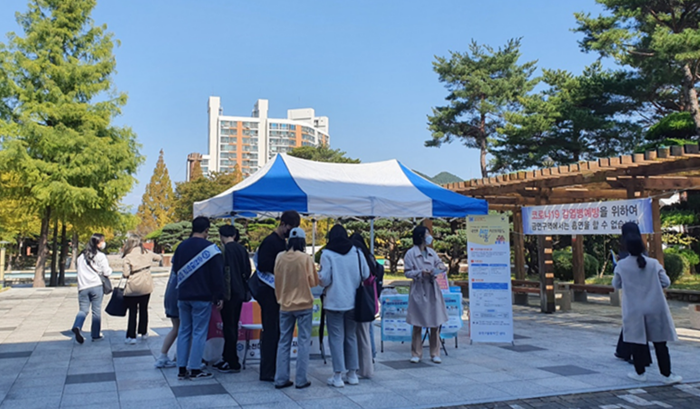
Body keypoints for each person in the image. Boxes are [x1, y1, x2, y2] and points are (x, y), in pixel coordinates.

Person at [612, 230, 682, 384]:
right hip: (655, 307)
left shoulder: (622, 265)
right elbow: (666, 282)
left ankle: (640, 372)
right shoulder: (653, 263)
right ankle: (667, 375)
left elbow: (616, 285)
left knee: (637, 342)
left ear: (626, 248)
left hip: (634, 309)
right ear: (643, 247)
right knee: (660, 343)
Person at [172, 217, 225, 380]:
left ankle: (181, 368)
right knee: (199, 332)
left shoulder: (181, 246)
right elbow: (217, 275)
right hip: (202, 296)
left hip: (183, 295)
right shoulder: (211, 249)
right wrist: (219, 296)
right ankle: (194, 368)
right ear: (207, 230)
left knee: (184, 331)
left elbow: (175, 269)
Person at [319, 225, 370, 388]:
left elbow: (325, 279)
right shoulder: (357, 252)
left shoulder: (327, 254)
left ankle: (338, 376)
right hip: (353, 301)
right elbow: (366, 274)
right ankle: (353, 374)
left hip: (334, 302)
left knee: (336, 338)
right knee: (351, 336)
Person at [255, 210, 301, 382]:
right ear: (282, 224)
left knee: (279, 332)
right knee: (271, 332)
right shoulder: (270, 242)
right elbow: (264, 265)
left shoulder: (283, 242)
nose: (291, 231)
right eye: (290, 227)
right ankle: (267, 371)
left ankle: (276, 368)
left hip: (279, 293)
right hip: (269, 292)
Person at [273, 227, 318, 389]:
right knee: (303, 341)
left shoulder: (280, 257)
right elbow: (313, 281)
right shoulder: (305, 258)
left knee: (283, 341)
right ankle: (301, 379)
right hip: (304, 304)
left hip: (284, 304)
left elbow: (276, 279)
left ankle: (281, 378)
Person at [404, 226, 448, 364]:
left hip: (432, 289)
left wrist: (441, 267)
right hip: (419, 289)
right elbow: (407, 272)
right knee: (417, 322)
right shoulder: (410, 253)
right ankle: (416, 353)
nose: (430, 236)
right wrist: (420, 273)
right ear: (421, 236)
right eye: (427, 233)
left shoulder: (431, 252)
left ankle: (435, 353)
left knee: (435, 322)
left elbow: (438, 263)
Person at [213, 224, 252, 374]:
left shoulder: (222, 251)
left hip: (227, 294)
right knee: (233, 325)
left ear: (221, 236)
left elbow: (219, 274)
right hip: (240, 292)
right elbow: (247, 271)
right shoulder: (242, 250)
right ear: (235, 235)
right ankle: (226, 356)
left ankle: (232, 361)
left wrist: (219, 295)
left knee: (229, 326)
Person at [614, 222, 652, 367]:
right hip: (647, 294)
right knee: (633, 324)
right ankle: (622, 350)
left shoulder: (625, 250)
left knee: (634, 325)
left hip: (631, 295)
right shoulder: (644, 250)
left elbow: (618, 281)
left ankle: (641, 358)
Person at [71, 233, 112, 344]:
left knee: (83, 310)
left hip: (83, 287)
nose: (103, 243)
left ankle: (77, 326)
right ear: (98, 243)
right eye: (102, 241)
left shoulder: (81, 257)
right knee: (96, 311)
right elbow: (107, 271)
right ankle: (95, 334)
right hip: (96, 286)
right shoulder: (100, 256)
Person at [122, 234, 162, 345]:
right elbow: (159, 257)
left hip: (133, 286)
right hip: (146, 285)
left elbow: (126, 274)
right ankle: (143, 332)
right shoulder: (147, 253)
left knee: (133, 311)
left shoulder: (128, 256)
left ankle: (131, 335)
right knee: (144, 309)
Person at [349, 232, 377, 379]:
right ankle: (368, 363)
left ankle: (364, 369)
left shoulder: (356, 255)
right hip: (369, 299)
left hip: (358, 299)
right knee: (367, 333)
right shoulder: (368, 256)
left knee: (359, 335)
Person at [155, 266, 178, 368]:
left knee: (176, 329)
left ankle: (163, 356)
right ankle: (180, 357)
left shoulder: (175, 267)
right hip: (179, 299)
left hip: (170, 298)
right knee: (185, 330)